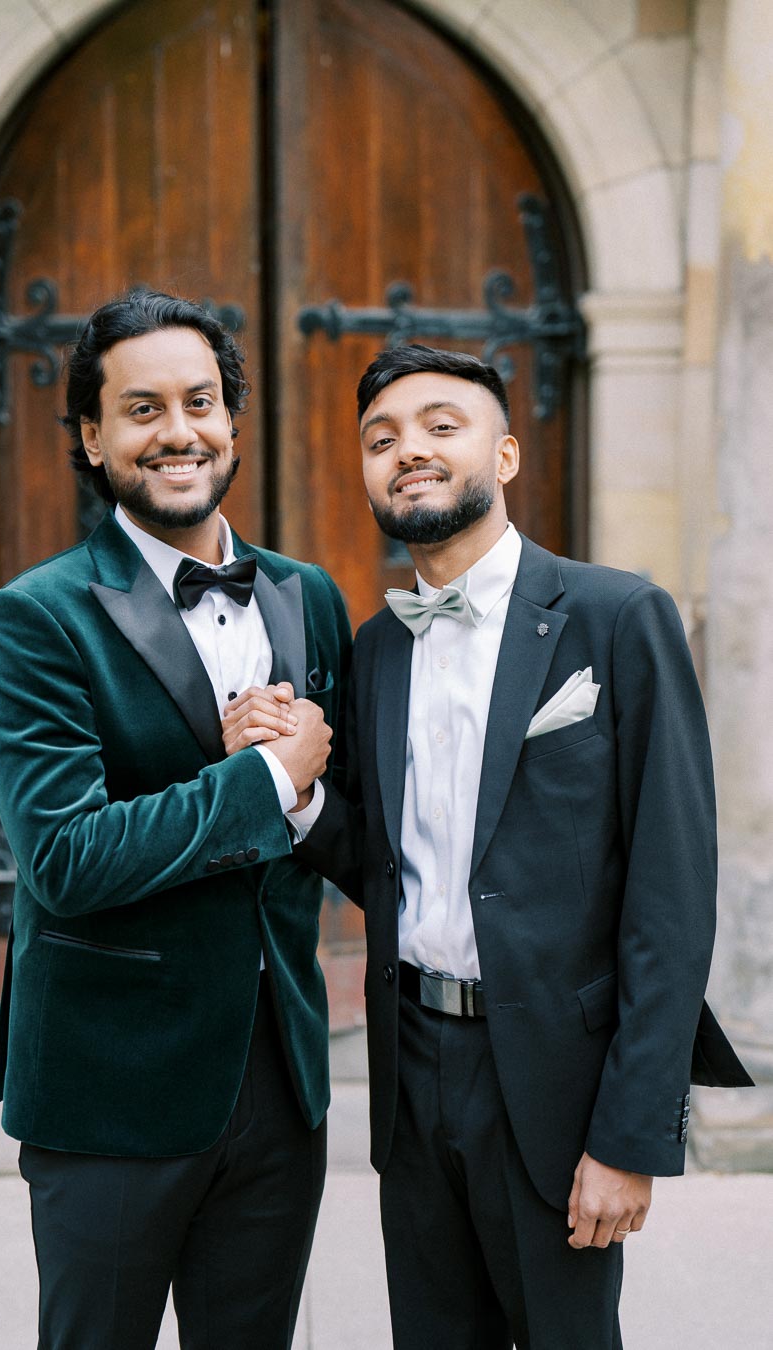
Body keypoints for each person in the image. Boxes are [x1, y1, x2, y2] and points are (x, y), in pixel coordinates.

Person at [240, 343, 752, 1348]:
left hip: (560, 1082)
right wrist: (294, 792)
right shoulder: (378, 646)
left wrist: (632, 1134)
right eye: (380, 439)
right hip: (413, 1068)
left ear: (506, 455)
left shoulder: (617, 618)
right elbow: (379, 863)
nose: (408, 452)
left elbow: (673, 889)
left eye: (441, 425)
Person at [0, 290, 351, 1350]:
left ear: (232, 420)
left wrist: (306, 788)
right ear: (93, 439)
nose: (177, 432)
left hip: (280, 1087)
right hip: (110, 1090)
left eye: (199, 402)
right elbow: (63, 857)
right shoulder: (35, 616)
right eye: (141, 410)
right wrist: (267, 779)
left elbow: (336, 814)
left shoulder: (307, 596)